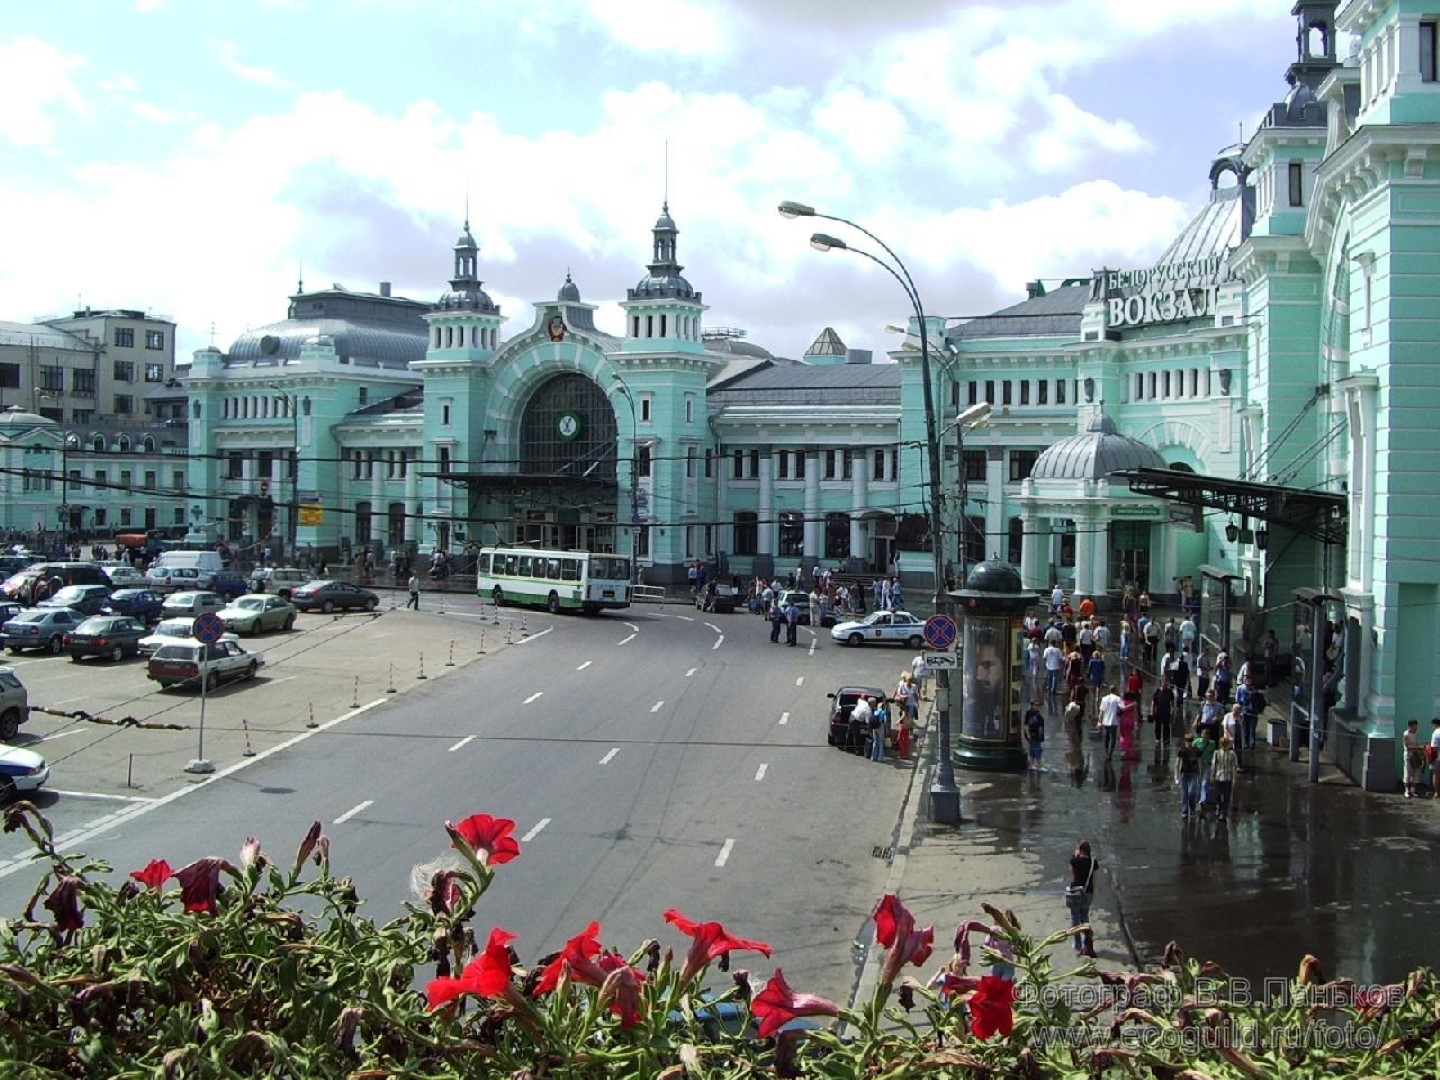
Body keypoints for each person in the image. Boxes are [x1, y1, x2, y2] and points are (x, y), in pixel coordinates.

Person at [1066, 840, 1098, 957]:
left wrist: (1075, 855)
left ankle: (1077, 944)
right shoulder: (1093, 862)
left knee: (1075, 917)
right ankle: (1087, 943)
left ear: (1080, 850)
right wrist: (1094, 892)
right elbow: (1094, 879)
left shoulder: (1075, 861)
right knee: (1085, 916)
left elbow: (1071, 871)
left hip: (1075, 892)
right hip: (1088, 892)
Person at [1211, 736, 1239, 822]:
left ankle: (1224, 812)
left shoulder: (1232, 754)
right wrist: (1212, 776)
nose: (1224, 746)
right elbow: (1214, 765)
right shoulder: (1216, 753)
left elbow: (1234, 767)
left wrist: (1234, 778)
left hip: (1228, 777)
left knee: (1227, 796)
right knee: (1217, 795)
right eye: (1222, 744)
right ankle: (1219, 807)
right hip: (1219, 777)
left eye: (1225, 744)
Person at [1174, 736, 1201, 818]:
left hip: (1193, 772)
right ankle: (1184, 811)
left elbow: (1199, 762)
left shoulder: (1196, 750)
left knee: (1192, 792)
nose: (1189, 743)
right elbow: (1177, 763)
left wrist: (1200, 774)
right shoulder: (1182, 750)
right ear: (1185, 741)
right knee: (1184, 793)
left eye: (1190, 741)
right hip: (1184, 773)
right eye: (1187, 741)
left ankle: (1192, 809)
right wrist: (1176, 776)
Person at [1097, 684, 1123, 757]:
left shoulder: (1104, 698)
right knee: (1113, 737)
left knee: (1107, 737)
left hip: (1106, 721)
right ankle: (1110, 753)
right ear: (1115, 690)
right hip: (1114, 720)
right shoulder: (1117, 698)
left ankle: (1106, 751)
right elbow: (1123, 708)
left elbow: (1101, 711)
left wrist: (1099, 721)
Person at [1403, 719, 1426, 798]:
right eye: (1414, 727)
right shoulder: (1406, 734)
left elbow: (1415, 743)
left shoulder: (1415, 733)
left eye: (1416, 727)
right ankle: (1406, 791)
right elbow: (1408, 746)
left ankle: (1413, 790)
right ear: (1410, 726)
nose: (1416, 729)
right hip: (1409, 756)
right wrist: (1419, 748)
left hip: (1416, 755)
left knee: (1416, 773)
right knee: (1408, 773)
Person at [1024, 699, 1046, 772]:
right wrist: (1028, 735)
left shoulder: (1036, 713)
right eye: (1034, 704)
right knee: (1037, 749)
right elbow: (1026, 725)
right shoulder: (1030, 714)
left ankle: (1032, 764)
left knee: (1034, 749)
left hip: (1037, 734)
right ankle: (1039, 765)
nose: (1036, 706)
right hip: (1033, 735)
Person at [869, 696, 889, 763]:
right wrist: (886, 730)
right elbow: (885, 721)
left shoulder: (875, 712)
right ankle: (880, 758)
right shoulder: (883, 712)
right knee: (881, 742)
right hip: (880, 727)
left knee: (875, 741)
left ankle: (873, 757)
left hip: (875, 727)